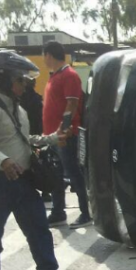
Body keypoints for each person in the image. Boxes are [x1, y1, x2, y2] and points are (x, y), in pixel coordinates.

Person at [0, 50, 81, 270]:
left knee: (40, 230)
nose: (25, 84)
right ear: (4, 79)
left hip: (23, 180)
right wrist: (3, 160)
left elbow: (21, 141)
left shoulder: (16, 109)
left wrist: (51, 139)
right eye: (20, 80)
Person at [42, 41, 91, 229]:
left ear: (48, 55)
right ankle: (58, 212)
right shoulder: (55, 76)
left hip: (65, 135)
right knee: (55, 174)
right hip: (53, 136)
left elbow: (72, 103)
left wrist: (64, 128)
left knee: (74, 173)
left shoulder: (69, 75)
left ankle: (86, 212)